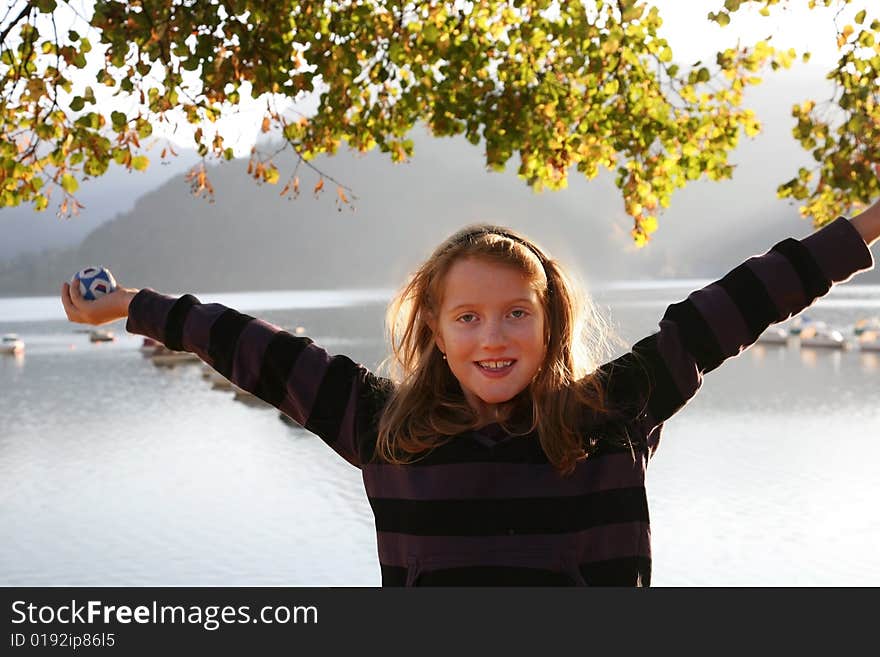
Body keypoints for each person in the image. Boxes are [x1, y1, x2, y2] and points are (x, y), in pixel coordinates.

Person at [61, 201, 880, 586]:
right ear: (436, 330)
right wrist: (136, 306)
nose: (494, 335)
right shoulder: (381, 423)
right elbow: (256, 351)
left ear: (551, 323)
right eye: (469, 316)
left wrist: (869, 223)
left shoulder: (609, 415)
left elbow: (745, 301)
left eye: (517, 313)